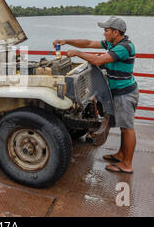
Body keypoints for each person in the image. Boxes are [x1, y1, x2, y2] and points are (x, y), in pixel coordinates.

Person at [53, 16, 138, 174]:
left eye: (106, 30)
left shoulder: (124, 47)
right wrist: (66, 41)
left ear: (116, 32)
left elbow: (99, 61)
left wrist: (77, 53)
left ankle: (127, 164)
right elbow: (88, 43)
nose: (104, 33)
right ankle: (121, 155)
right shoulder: (114, 43)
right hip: (118, 92)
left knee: (127, 128)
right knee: (123, 127)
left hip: (125, 93)